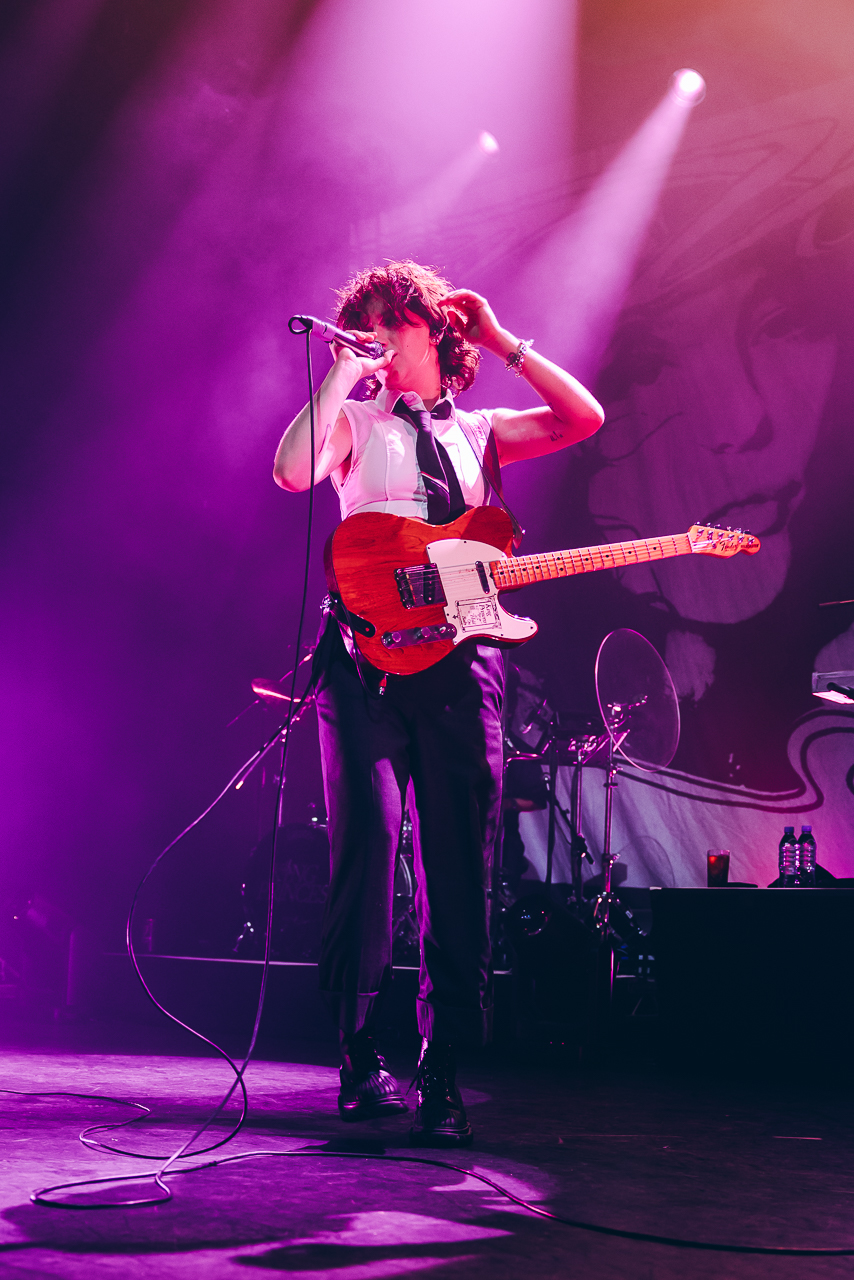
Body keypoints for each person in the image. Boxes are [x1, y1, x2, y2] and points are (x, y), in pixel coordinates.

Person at [274, 260, 603, 1145]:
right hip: (362, 667)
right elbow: (292, 472)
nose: (375, 331)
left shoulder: (482, 432)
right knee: (367, 844)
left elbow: (585, 418)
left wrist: (501, 340)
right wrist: (342, 371)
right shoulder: (353, 420)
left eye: (389, 318)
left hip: (463, 667)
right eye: (364, 320)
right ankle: (357, 1057)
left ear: (431, 329)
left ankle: (443, 1066)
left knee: (459, 862)